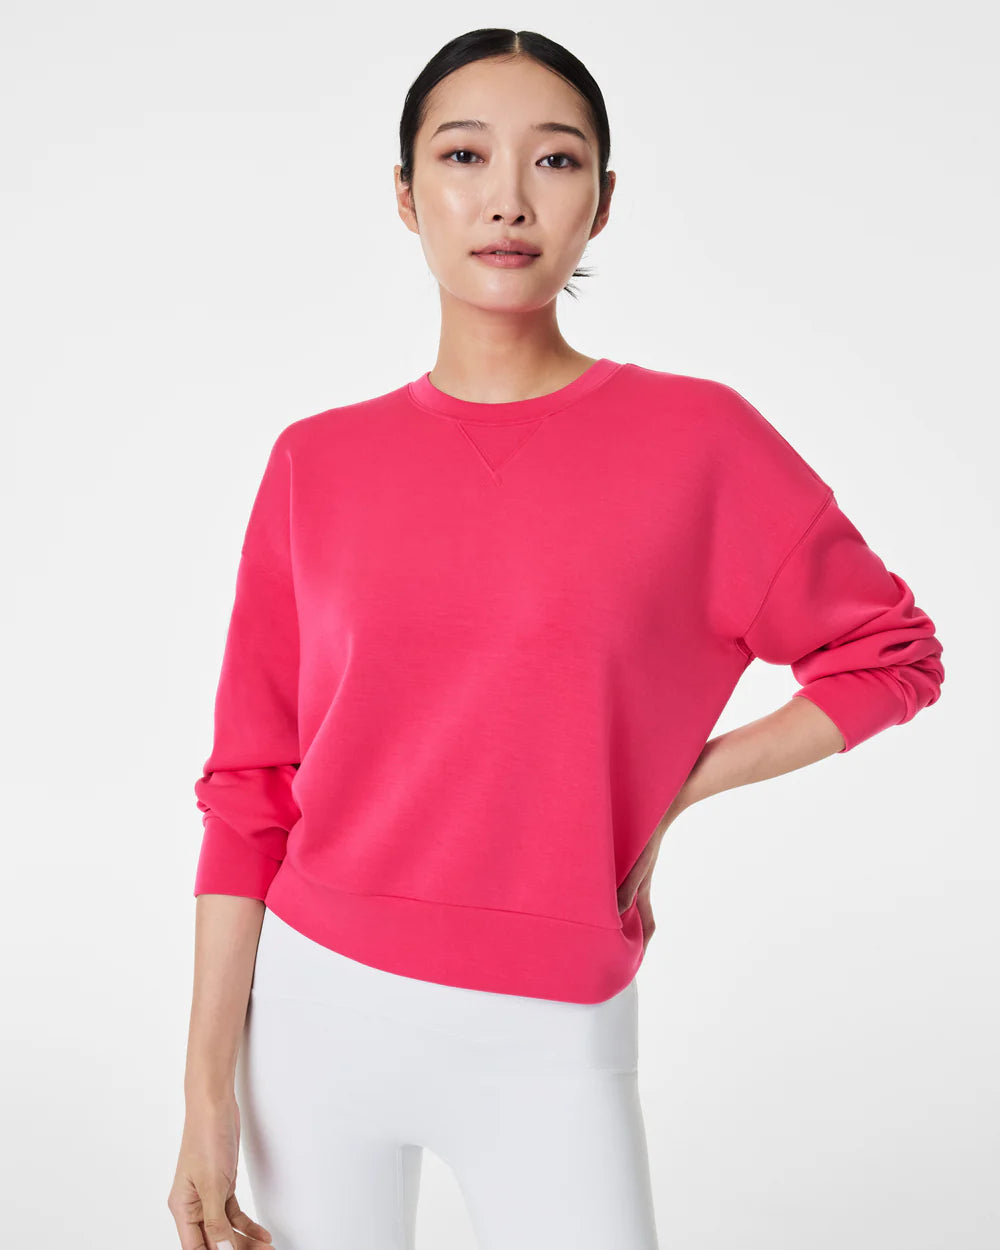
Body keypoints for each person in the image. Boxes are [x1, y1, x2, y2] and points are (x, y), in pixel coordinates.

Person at [167, 27, 945, 1250]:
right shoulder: (315, 461)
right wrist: (205, 1097)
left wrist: (676, 785)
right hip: (314, 1012)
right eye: (463, 155)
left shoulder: (700, 442)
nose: (508, 199)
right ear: (405, 193)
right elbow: (248, 787)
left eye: (555, 159)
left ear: (603, 201)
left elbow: (891, 653)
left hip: (550, 1029)